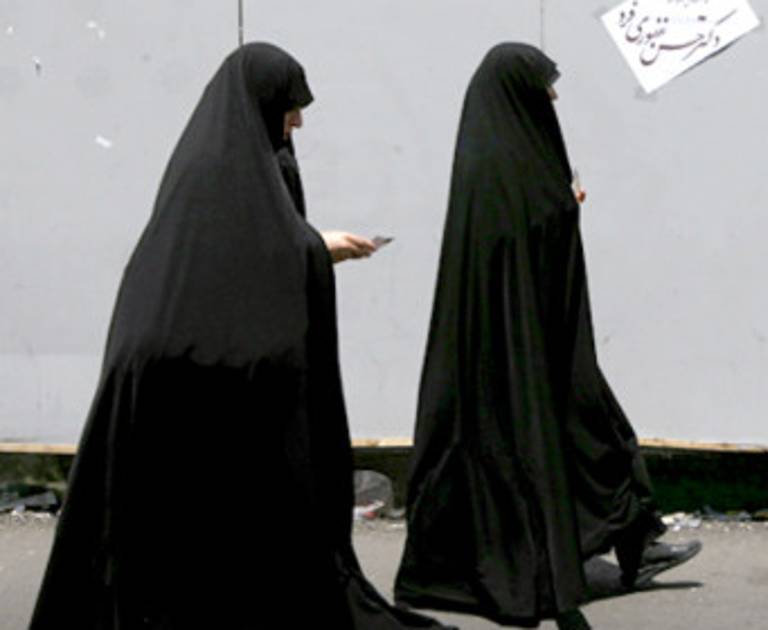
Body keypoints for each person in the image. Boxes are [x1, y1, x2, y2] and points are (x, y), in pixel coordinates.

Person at [28, 43, 451, 630]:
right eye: (290, 107)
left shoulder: (225, 163)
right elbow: (243, 262)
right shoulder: (218, 170)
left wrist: (311, 246)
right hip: (183, 371)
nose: (297, 121)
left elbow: (251, 257)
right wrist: (317, 249)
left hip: (182, 366)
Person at [394, 43, 701, 629]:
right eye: (545, 86)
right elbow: (528, 234)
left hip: (529, 346)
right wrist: (564, 207)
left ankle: (637, 544)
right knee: (588, 436)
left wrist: (561, 206)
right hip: (526, 353)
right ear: (518, 92)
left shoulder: (490, 161)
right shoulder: (507, 170)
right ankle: (625, 547)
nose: (553, 97)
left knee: (594, 435)